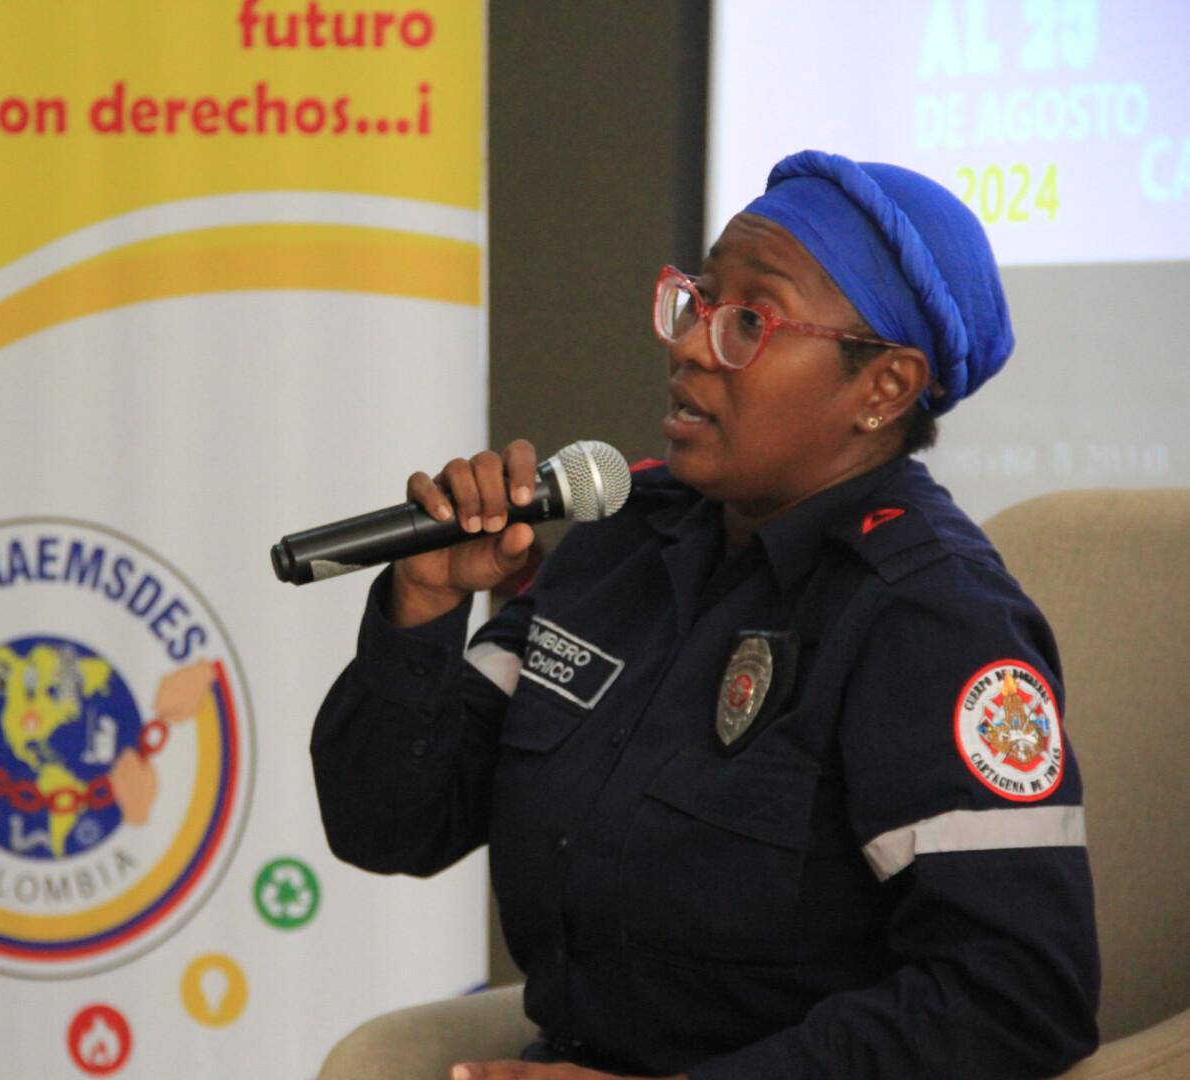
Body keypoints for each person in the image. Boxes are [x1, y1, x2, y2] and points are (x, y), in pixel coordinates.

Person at [309, 150, 1101, 1080]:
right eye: (697, 301)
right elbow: (390, 825)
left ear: (883, 387)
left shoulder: (931, 616)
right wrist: (425, 603)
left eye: (749, 322)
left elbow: (1016, 998)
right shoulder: (622, 540)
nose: (688, 345)